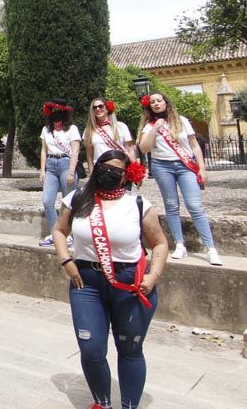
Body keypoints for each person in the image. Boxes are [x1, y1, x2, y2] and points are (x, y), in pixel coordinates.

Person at [53, 150, 168, 409]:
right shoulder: (78, 198)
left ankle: (129, 405)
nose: (109, 172)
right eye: (104, 166)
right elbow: (59, 231)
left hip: (129, 283)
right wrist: (66, 260)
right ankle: (101, 402)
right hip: (87, 282)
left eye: (116, 169)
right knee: (91, 347)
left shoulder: (138, 204)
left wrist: (153, 276)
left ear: (126, 175)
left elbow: (160, 243)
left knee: (130, 348)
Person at [137, 92, 222, 266]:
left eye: (159, 100)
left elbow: (194, 145)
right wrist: (155, 128)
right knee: (171, 205)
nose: (156, 104)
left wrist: (202, 168)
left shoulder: (181, 120)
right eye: (152, 102)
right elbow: (144, 148)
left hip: (185, 165)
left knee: (194, 206)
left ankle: (210, 248)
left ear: (166, 102)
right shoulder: (149, 125)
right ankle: (179, 244)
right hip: (162, 167)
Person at [39, 99, 81, 247]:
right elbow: (44, 150)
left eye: (59, 114)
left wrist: (71, 171)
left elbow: (75, 151)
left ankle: (69, 235)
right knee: (47, 201)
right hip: (51, 165)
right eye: (54, 114)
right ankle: (54, 232)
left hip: (66, 164)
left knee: (68, 201)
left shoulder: (72, 129)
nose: (57, 119)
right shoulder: (46, 130)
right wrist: (42, 170)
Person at [83, 98, 136, 176]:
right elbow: (89, 154)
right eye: (94, 107)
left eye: (100, 106)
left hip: (121, 169)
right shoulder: (89, 130)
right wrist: (91, 171)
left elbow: (130, 149)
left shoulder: (121, 126)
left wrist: (135, 170)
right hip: (101, 170)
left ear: (107, 109)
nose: (97, 109)